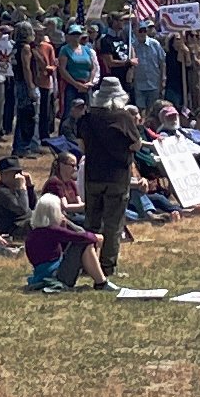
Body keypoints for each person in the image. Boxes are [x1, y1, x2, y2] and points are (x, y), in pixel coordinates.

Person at [75, 81, 138, 278]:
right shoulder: (123, 118)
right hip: (117, 176)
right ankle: (107, 266)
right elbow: (136, 145)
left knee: (91, 221)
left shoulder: (87, 119)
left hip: (94, 175)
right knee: (113, 223)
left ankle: (88, 264)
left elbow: (82, 147)